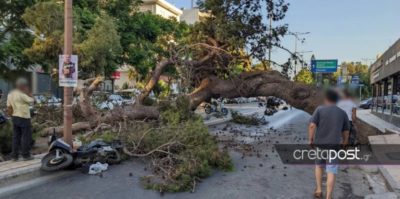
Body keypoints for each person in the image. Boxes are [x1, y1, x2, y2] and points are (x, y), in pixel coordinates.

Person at [308, 89, 350, 199]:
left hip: (320, 145)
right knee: (331, 170)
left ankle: (318, 190)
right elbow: (346, 131)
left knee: (319, 166)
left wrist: (311, 139)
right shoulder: (342, 113)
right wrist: (344, 143)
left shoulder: (319, 109)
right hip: (334, 146)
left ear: (326, 99)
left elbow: (312, 125)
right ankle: (329, 196)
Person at [6, 78, 35, 161]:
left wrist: (11, 115)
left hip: (14, 117)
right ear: (22, 86)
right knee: (26, 136)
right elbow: (32, 101)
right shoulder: (21, 94)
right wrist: (29, 93)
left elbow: (8, 106)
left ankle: (14, 156)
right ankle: (26, 155)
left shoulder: (10, 94)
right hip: (24, 117)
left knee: (16, 137)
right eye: (25, 86)